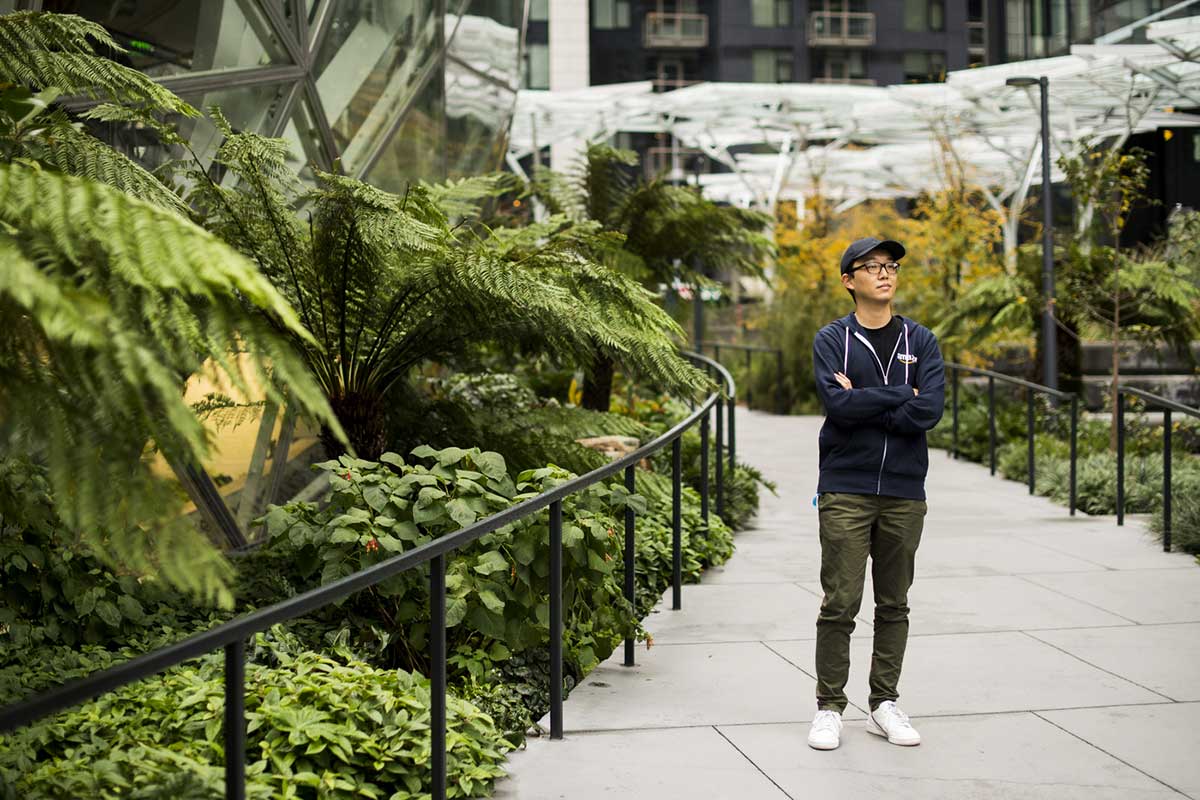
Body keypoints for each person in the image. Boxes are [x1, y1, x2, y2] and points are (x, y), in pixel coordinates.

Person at [805, 237, 945, 751]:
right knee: (840, 601)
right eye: (872, 267)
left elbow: (929, 410)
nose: (885, 274)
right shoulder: (831, 339)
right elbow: (837, 408)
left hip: (905, 489)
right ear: (849, 280)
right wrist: (898, 395)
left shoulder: (921, 340)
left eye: (891, 266)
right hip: (846, 486)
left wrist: (865, 398)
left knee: (894, 602)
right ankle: (829, 707)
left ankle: (884, 703)